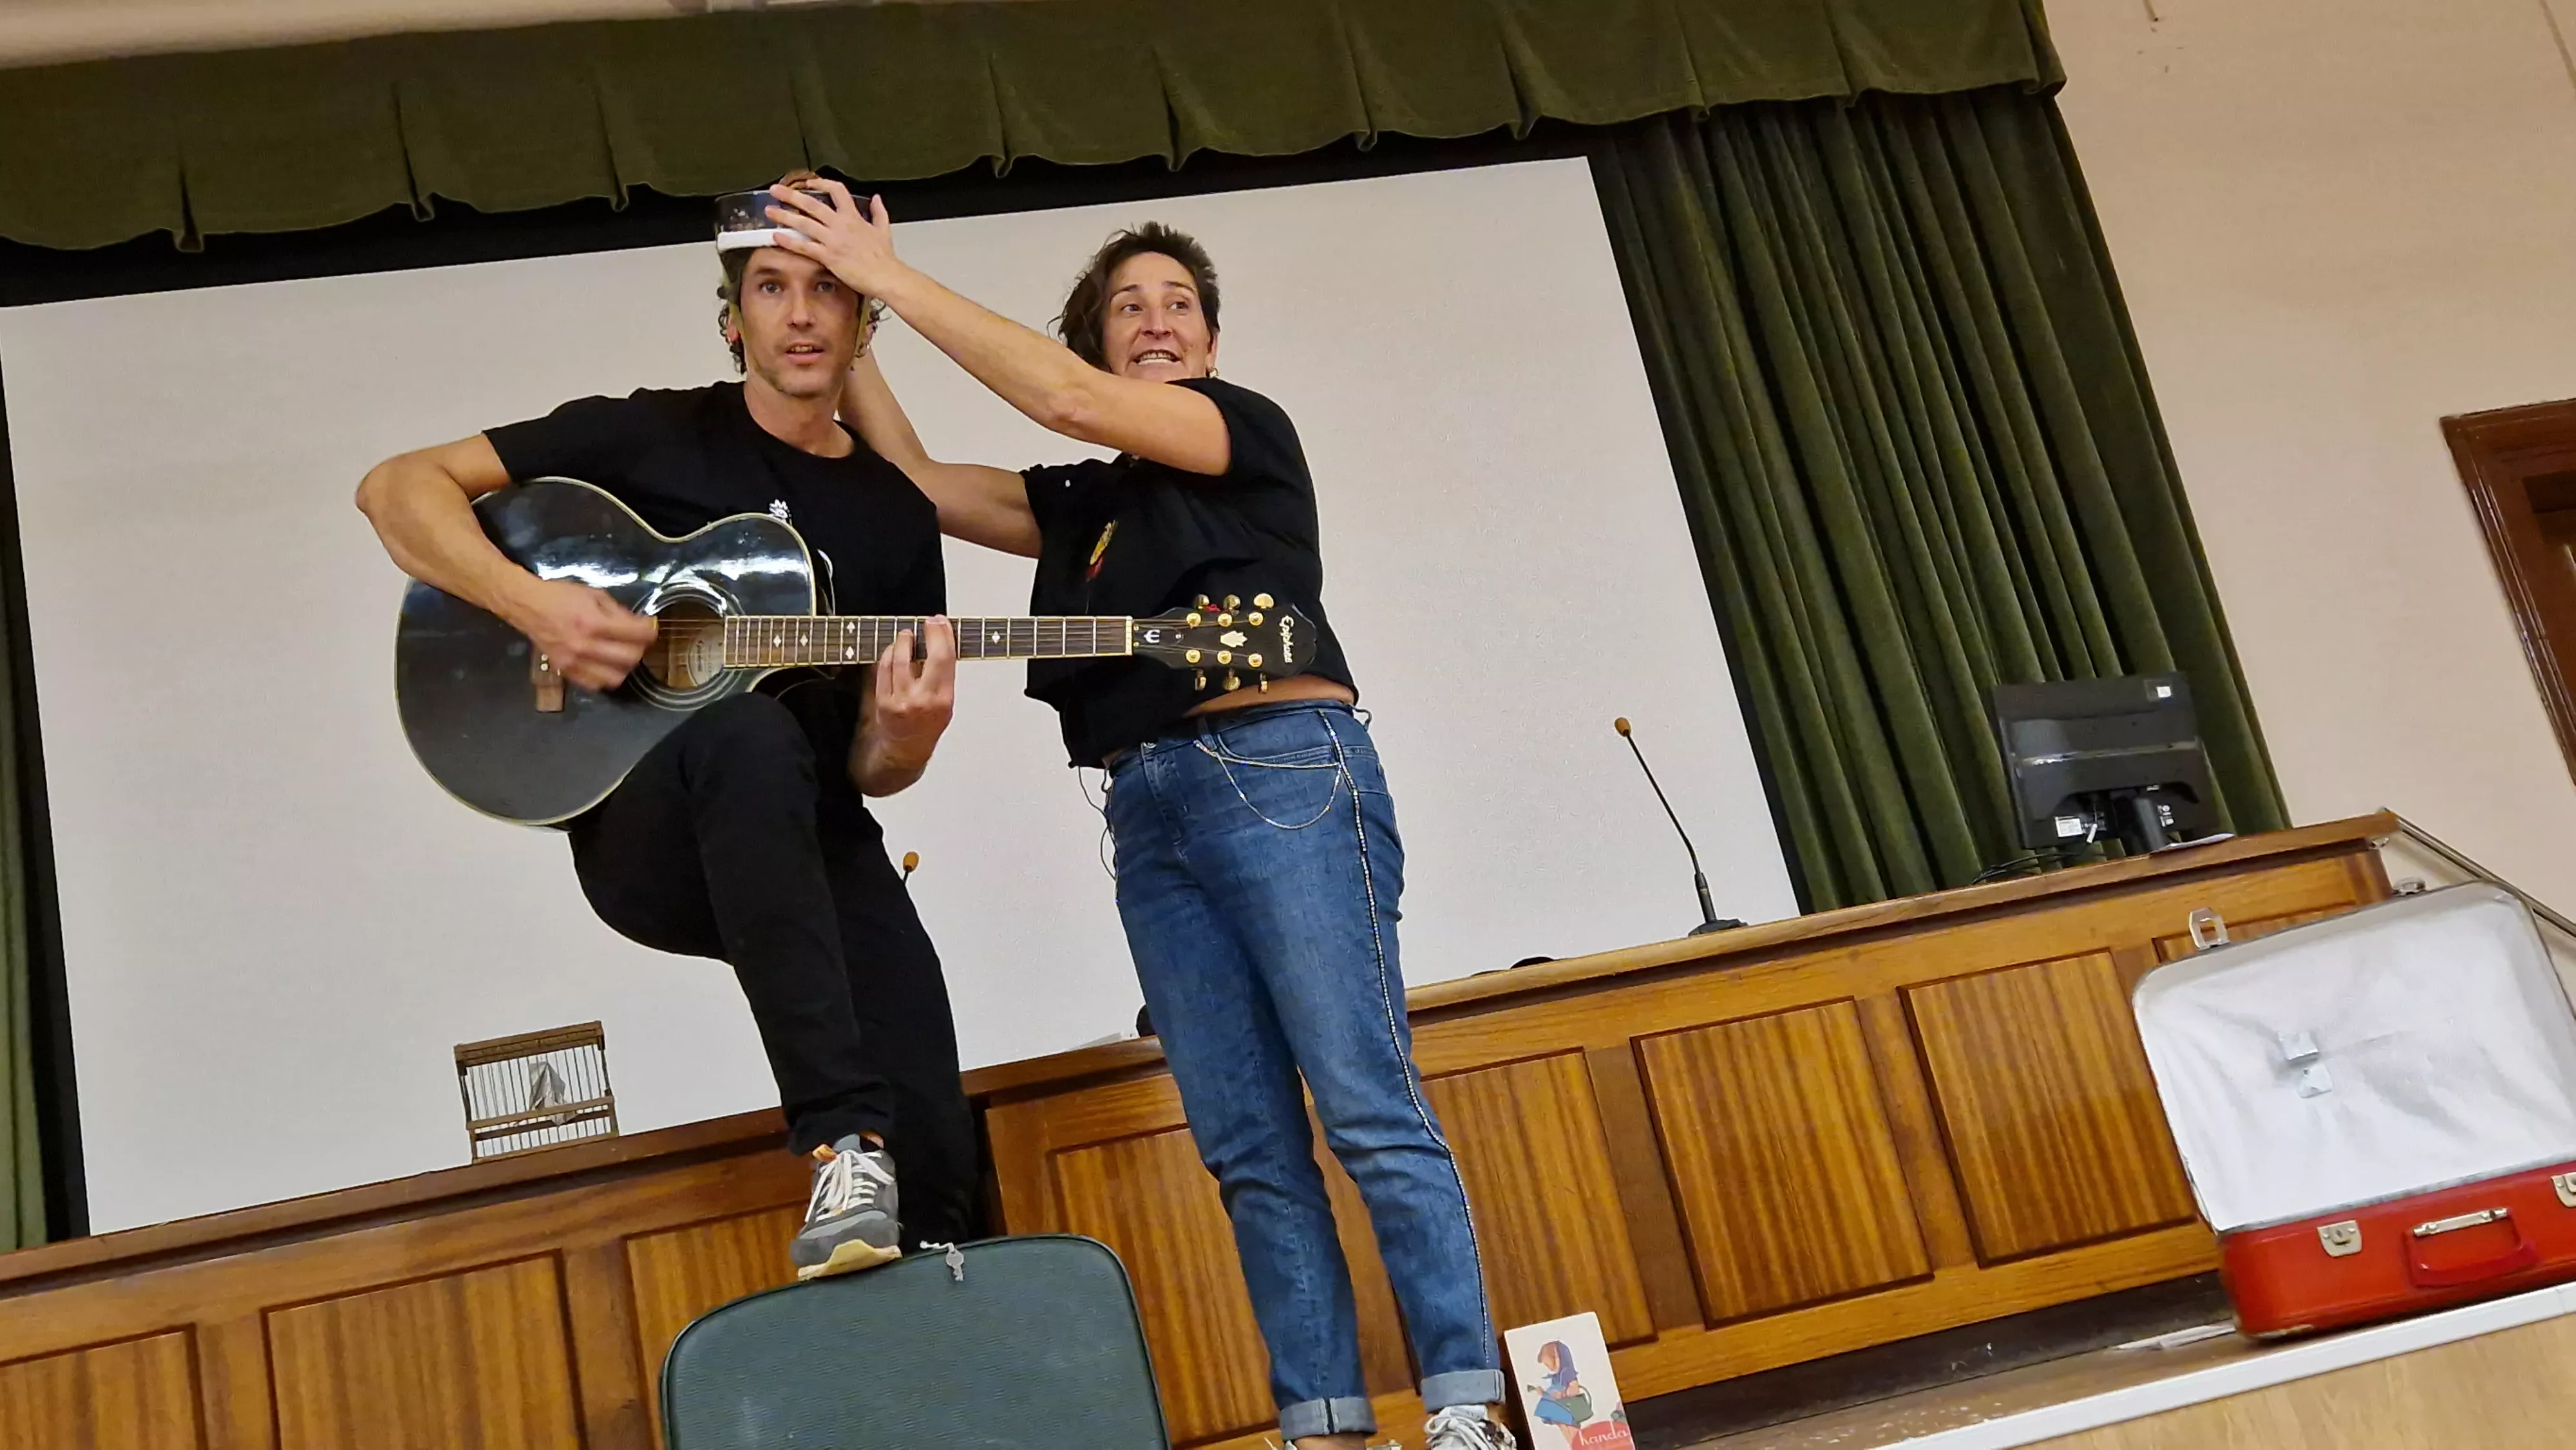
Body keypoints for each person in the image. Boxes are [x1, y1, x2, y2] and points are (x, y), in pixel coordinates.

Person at [770, 180, 1518, 1450]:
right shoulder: (1085, 507)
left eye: (1179, 303)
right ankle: (1322, 1426)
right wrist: (849, 323)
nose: (1157, 318)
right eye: (1129, 305)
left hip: (1282, 766)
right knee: (1245, 1145)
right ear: (1099, 335)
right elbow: (909, 482)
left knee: (1364, 1105)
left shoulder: (1241, 430)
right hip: (1148, 810)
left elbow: (1058, 396)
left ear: (1209, 346)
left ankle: (1462, 1408)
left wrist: (887, 273)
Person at [354, 182, 976, 1281]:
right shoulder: (647, 434)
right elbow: (395, 488)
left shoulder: (893, 514)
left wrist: (909, 740)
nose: (798, 314)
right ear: (734, 320)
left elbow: (872, 772)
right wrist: (532, 603)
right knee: (739, 734)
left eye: (827, 290)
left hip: (808, 830)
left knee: (934, 1107)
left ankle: (955, 1336)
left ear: (861, 324)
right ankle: (842, 1146)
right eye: (771, 288)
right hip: (649, 826)